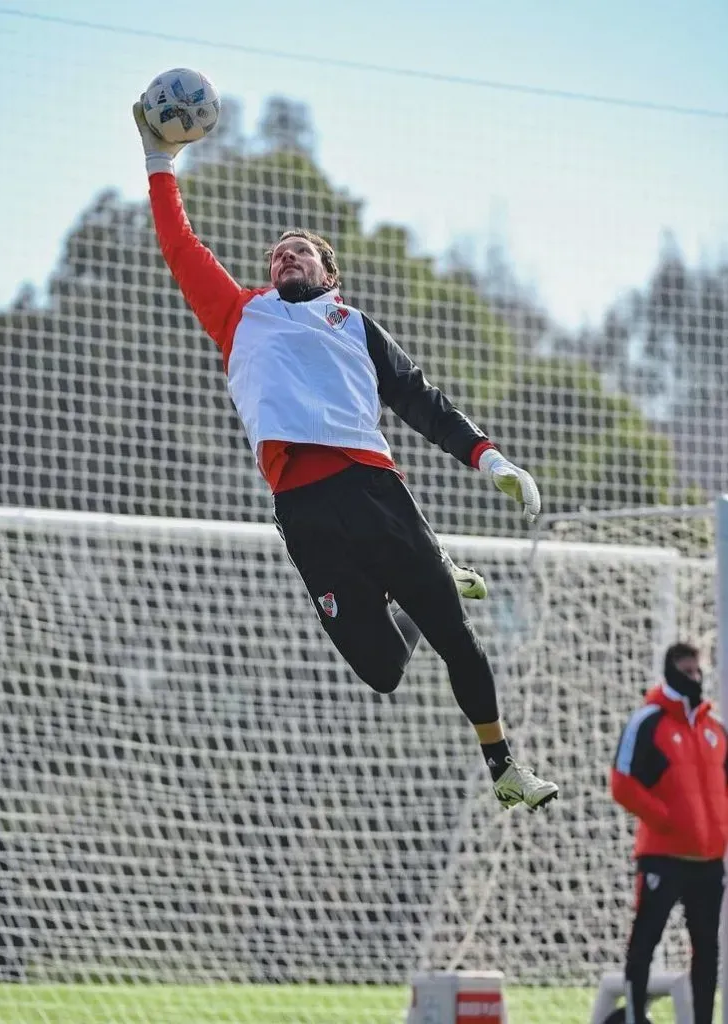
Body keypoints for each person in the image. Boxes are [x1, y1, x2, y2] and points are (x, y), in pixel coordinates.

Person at [132, 98, 559, 811]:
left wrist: (489, 459)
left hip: (373, 489)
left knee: (455, 636)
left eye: (299, 250)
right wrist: (157, 161)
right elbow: (179, 245)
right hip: (302, 509)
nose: (283, 255)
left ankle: (504, 769)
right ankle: (437, 574)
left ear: (330, 274)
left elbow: (421, 401)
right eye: (275, 253)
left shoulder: (353, 324)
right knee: (382, 669)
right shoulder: (240, 314)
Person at [611, 642, 728, 1024]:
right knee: (645, 940)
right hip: (662, 856)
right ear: (671, 671)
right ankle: (634, 1017)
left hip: (708, 861)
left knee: (707, 949)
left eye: (698, 672)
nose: (695, 678)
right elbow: (622, 782)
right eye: (687, 671)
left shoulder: (715, 729)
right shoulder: (649, 720)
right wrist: (667, 819)